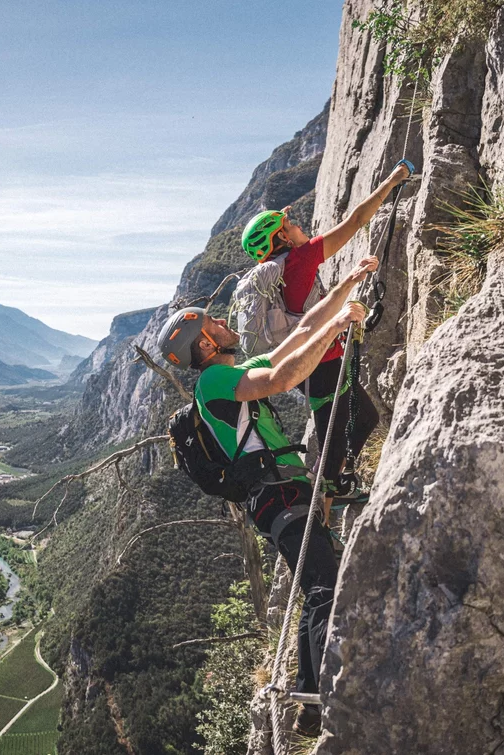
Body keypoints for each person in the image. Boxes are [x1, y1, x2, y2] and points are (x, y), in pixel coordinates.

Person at [156, 256, 377, 737]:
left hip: (282, 495)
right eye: (213, 322)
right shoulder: (214, 380)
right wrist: (339, 321)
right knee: (324, 583)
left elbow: (297, 341)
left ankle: (307, 703)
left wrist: (346, 285)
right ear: (206, 344)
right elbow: (280, 379)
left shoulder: (230, 373)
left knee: (316, 582)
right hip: (278, 498)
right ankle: (323, 701)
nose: (223, 322)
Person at [240, 159, 415, 512]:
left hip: (307, 363)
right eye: (290, 224)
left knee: (347, 421)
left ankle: (331, 488)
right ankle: (327, 497)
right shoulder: (300, 259)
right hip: (321, 362)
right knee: (348, 421)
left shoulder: (277, 272)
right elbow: (356, 221)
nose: (299, 225)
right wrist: (393, 181)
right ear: (282, 238)